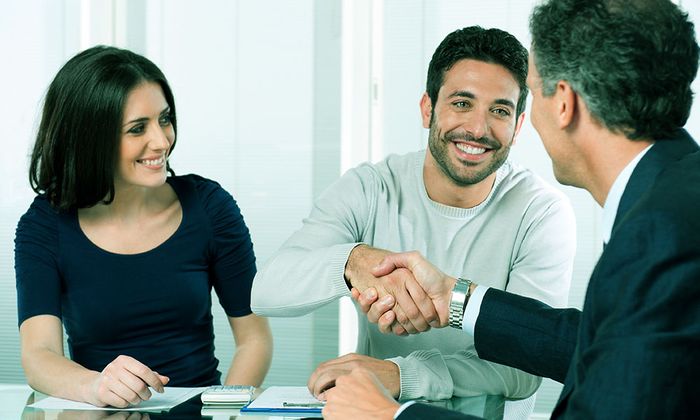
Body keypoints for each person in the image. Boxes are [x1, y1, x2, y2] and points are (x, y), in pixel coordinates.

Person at [322, 0, 700, 419]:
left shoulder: (661, 234)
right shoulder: (675, 195)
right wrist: (455, 299)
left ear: (563, 103)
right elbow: (606, 343)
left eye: (531, 95)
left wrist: (390, 416)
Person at [251, 26, 576, 403]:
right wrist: (353, 262)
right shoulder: (370, 188)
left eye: (499, 111)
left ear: (518, 127)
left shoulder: (542, 212)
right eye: (461, 103)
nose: (476, 128)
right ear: (428, 109)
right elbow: (265, 290)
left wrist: (403, 375)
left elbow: (524, 369)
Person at [15, 45, 273, 409]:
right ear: (90, 138)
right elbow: (38, 355)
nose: (161, 140)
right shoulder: (44, 225)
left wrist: (224, 410)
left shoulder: (210, 207)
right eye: (138, 128)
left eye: (164, 119)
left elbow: (254, 339)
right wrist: (96, 386)